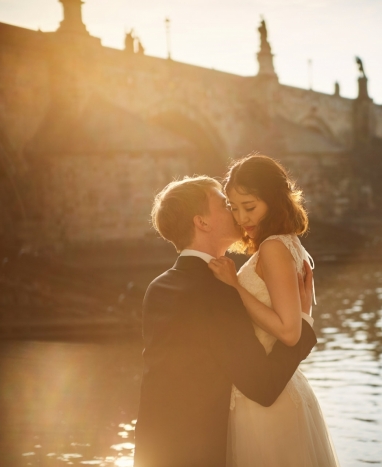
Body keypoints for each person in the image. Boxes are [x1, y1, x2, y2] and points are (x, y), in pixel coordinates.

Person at [134, 175, 318, 467]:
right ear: (202, 223)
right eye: (224, 203)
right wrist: (304, 322)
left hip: (156, 450)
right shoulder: (218, 293)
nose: (234, 210)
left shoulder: (158, 287)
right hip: (204, 454)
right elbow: (263, 386)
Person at [208, 155, 340, 467]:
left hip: (268, 401)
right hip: (275, 387)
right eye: (234, 207)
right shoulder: (285, 243)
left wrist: (235, 287)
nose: (241, 217)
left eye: (250, 206)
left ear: (273, 199)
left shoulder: (274, 248)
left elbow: (289, 332)